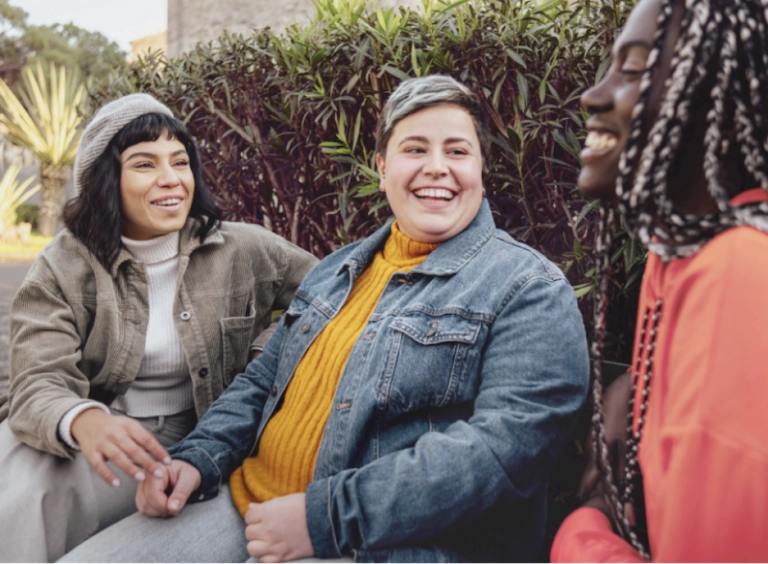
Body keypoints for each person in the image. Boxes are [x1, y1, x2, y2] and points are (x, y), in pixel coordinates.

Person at [60, 75, 589, 563]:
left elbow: (503, 455)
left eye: (457, 151)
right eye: (414, 149)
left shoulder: (528, 289)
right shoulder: (340, 268)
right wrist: (195, 458)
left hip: (385, 541)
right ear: (382, 169)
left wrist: (325, 516)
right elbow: (264, 382)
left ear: (479, 169)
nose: (437, 167)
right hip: (248, 502)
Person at [0, 93, 317, 562]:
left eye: (180, 162)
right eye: (145, 164)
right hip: (110, 435)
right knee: (19, 465)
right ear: (107, 181)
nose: (171, 180)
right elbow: (34, 381)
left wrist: (268, 352)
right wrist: (84, 419)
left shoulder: (244, 248)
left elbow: (334, 299)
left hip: (200, 443)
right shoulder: (64, 264)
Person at [551, 0, 768, 561]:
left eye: (635, 67)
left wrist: (587, 525)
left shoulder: (738, 273)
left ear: (723, 98)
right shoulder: (678, 259)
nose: (593, 96)